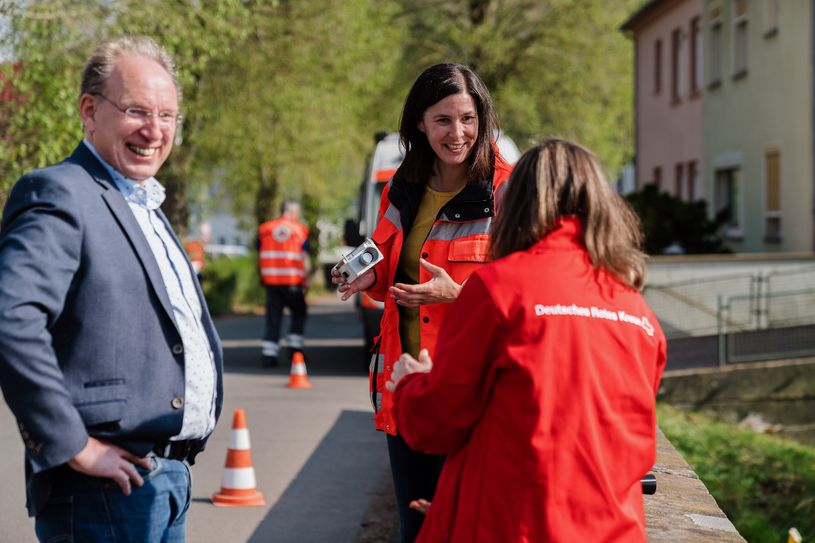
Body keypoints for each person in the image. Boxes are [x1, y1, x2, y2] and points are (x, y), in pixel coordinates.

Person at [387, 138, 668, 542]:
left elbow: (437, 423)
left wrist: (411, 383)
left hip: (516, 525)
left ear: (516, 205)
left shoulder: (498, 289)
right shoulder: (637, 311)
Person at [0, 36, 223, 542]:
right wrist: (71, 444)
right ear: (89, 111)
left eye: (168, 116)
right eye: (137, 111)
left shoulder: (144, 203)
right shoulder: (60, 193)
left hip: (164, 480)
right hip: (101, 488)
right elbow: (11, 318)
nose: (155, 130)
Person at [332, 63, 513, 542]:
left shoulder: (508, 191)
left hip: (471, 394)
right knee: (417, 527)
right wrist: (366, 278)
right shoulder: (400, 186)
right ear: (419, 123)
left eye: (469, 119)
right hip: (406, 385)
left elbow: (526, 296)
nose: (458, 133)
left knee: (471, 527)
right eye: (443, 120)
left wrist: (458, 295)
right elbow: (388, 269)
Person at [257, 200, 310, 367]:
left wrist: (262, 275)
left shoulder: (265, 229)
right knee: (298, 312)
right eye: (298, 212)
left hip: (271, 281)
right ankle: (295, 350)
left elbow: (259, 254)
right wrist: (307, 278)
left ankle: (269, 355)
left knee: (273, 316)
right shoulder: (299, 230)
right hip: (292, 281)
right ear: (292, 212)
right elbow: (304, 257)